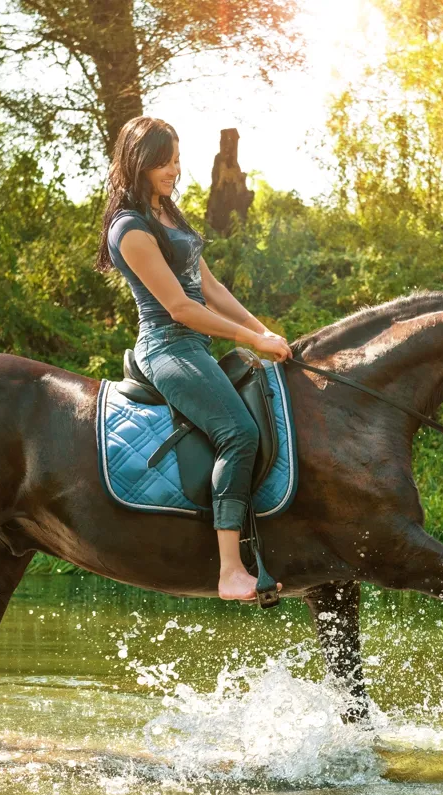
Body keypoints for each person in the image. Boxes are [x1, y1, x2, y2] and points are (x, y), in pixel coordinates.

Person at [94, 116, 291, 602]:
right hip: (167, 347)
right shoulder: (130, 227)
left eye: (177, 159)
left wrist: (262, 330)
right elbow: (181, 308)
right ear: (138, 162)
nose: (173, 170)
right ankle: (230, 570)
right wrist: (251, 339)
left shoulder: (169, 212)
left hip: (196, 346)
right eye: (164, 161)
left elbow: (210, 287)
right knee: (238, 433)